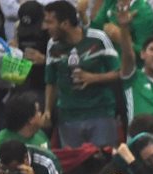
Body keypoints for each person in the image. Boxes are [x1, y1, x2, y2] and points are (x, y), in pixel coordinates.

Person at [42, 0, 121, 148]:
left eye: (49, 22)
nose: (45, 27)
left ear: (65, 23)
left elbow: (120, 72)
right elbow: (50, 81)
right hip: (68, 116)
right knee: (73, 166)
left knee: (103, 163)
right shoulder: (52, 45)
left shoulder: (98, 38)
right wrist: (47, 110)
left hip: (100, 112)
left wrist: (94, 78)